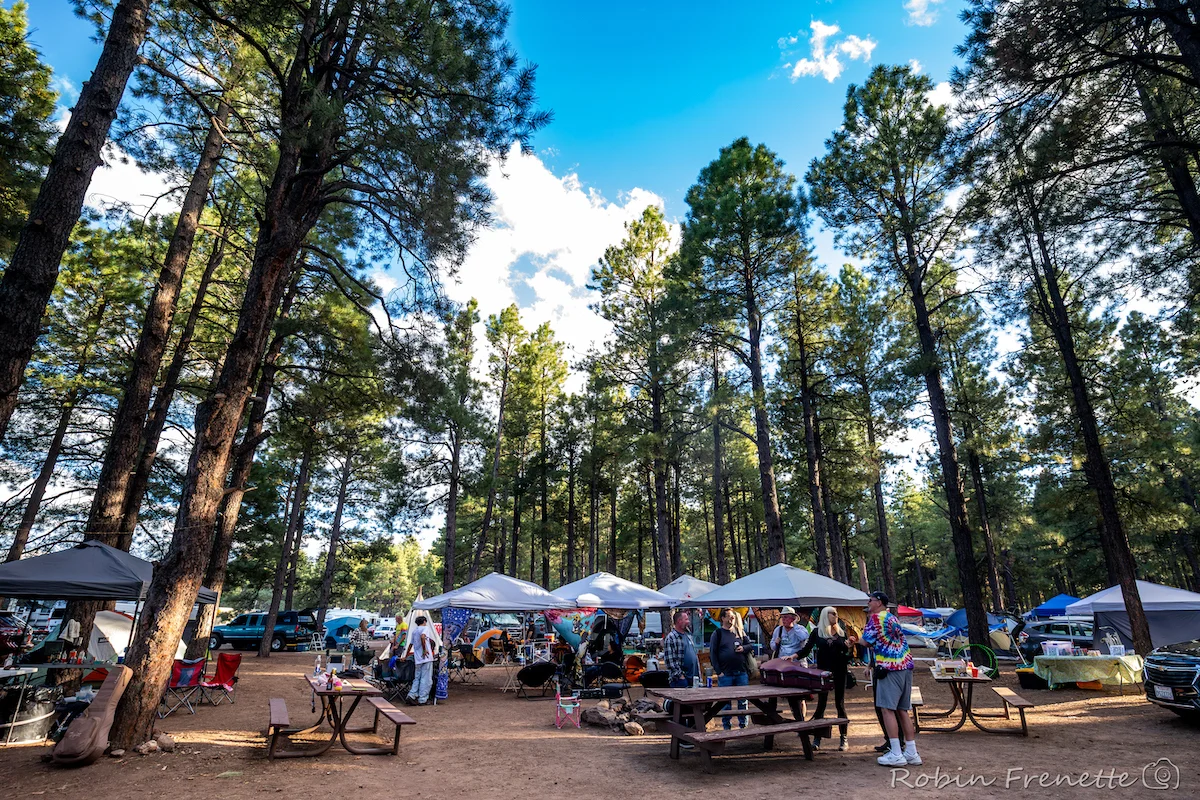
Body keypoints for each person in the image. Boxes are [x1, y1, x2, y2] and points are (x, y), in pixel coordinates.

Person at [861, 591, 921, 767]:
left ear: (879, 602)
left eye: (870, 600)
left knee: (887, 709)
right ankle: (911, 751)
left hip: (889, 667)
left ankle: (895, 752)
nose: (868, 603)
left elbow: (865, 641)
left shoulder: (875, 618)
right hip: (905, 665)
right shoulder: (893, 618)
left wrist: (854, 639)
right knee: (902, 710)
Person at [796, 606, 854, 751]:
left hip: (840, 671)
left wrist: (849, 648)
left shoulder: (842, 632)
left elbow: (849, 657)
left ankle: (843, 738)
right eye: (833, 613)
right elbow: (806, 649)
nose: (836, 616)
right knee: (821, 704)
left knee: (839, 704)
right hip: (823, 672)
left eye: (836, 613)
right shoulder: (817, 632)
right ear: (825, 615)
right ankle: (817, 738)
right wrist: (793, 656)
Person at [708, 608, 751, 729]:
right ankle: (727, 726)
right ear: (723, 618)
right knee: (726, 702)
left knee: (743, 701)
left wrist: (743, 648)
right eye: (730, 617)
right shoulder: (718, 633)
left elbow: (749, 645)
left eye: (733, 617)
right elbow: (713, 654)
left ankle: (743, 726)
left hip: (741, 672)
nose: (732, 619)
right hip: (725, 674)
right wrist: (719, 672)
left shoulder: (739, 631)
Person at [404, 615, 437, 706]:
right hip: (425, 657)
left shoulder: (414, 631)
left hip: (417, 658)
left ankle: (412, 694)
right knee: (426, 678)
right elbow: (423, 637)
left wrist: (406, 655)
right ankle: (423, 699)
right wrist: (424, 649)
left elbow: (410, 644)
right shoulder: (425, 628)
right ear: (424, 622)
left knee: (417, 677)